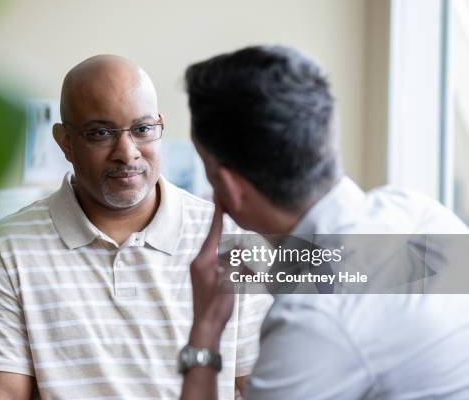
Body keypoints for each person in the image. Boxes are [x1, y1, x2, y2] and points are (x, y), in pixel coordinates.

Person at [0, 54, 270, 399]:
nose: (127, 153)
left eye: (142, 129)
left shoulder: (231, 240)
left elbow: (270, 388)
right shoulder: (6, 250)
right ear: (65, 143)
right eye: (101, 133)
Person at [179, 45, 469, 399]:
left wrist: (206, 329)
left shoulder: (312, 323)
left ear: (227, 187)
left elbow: (339, 314)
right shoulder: (417, 211)